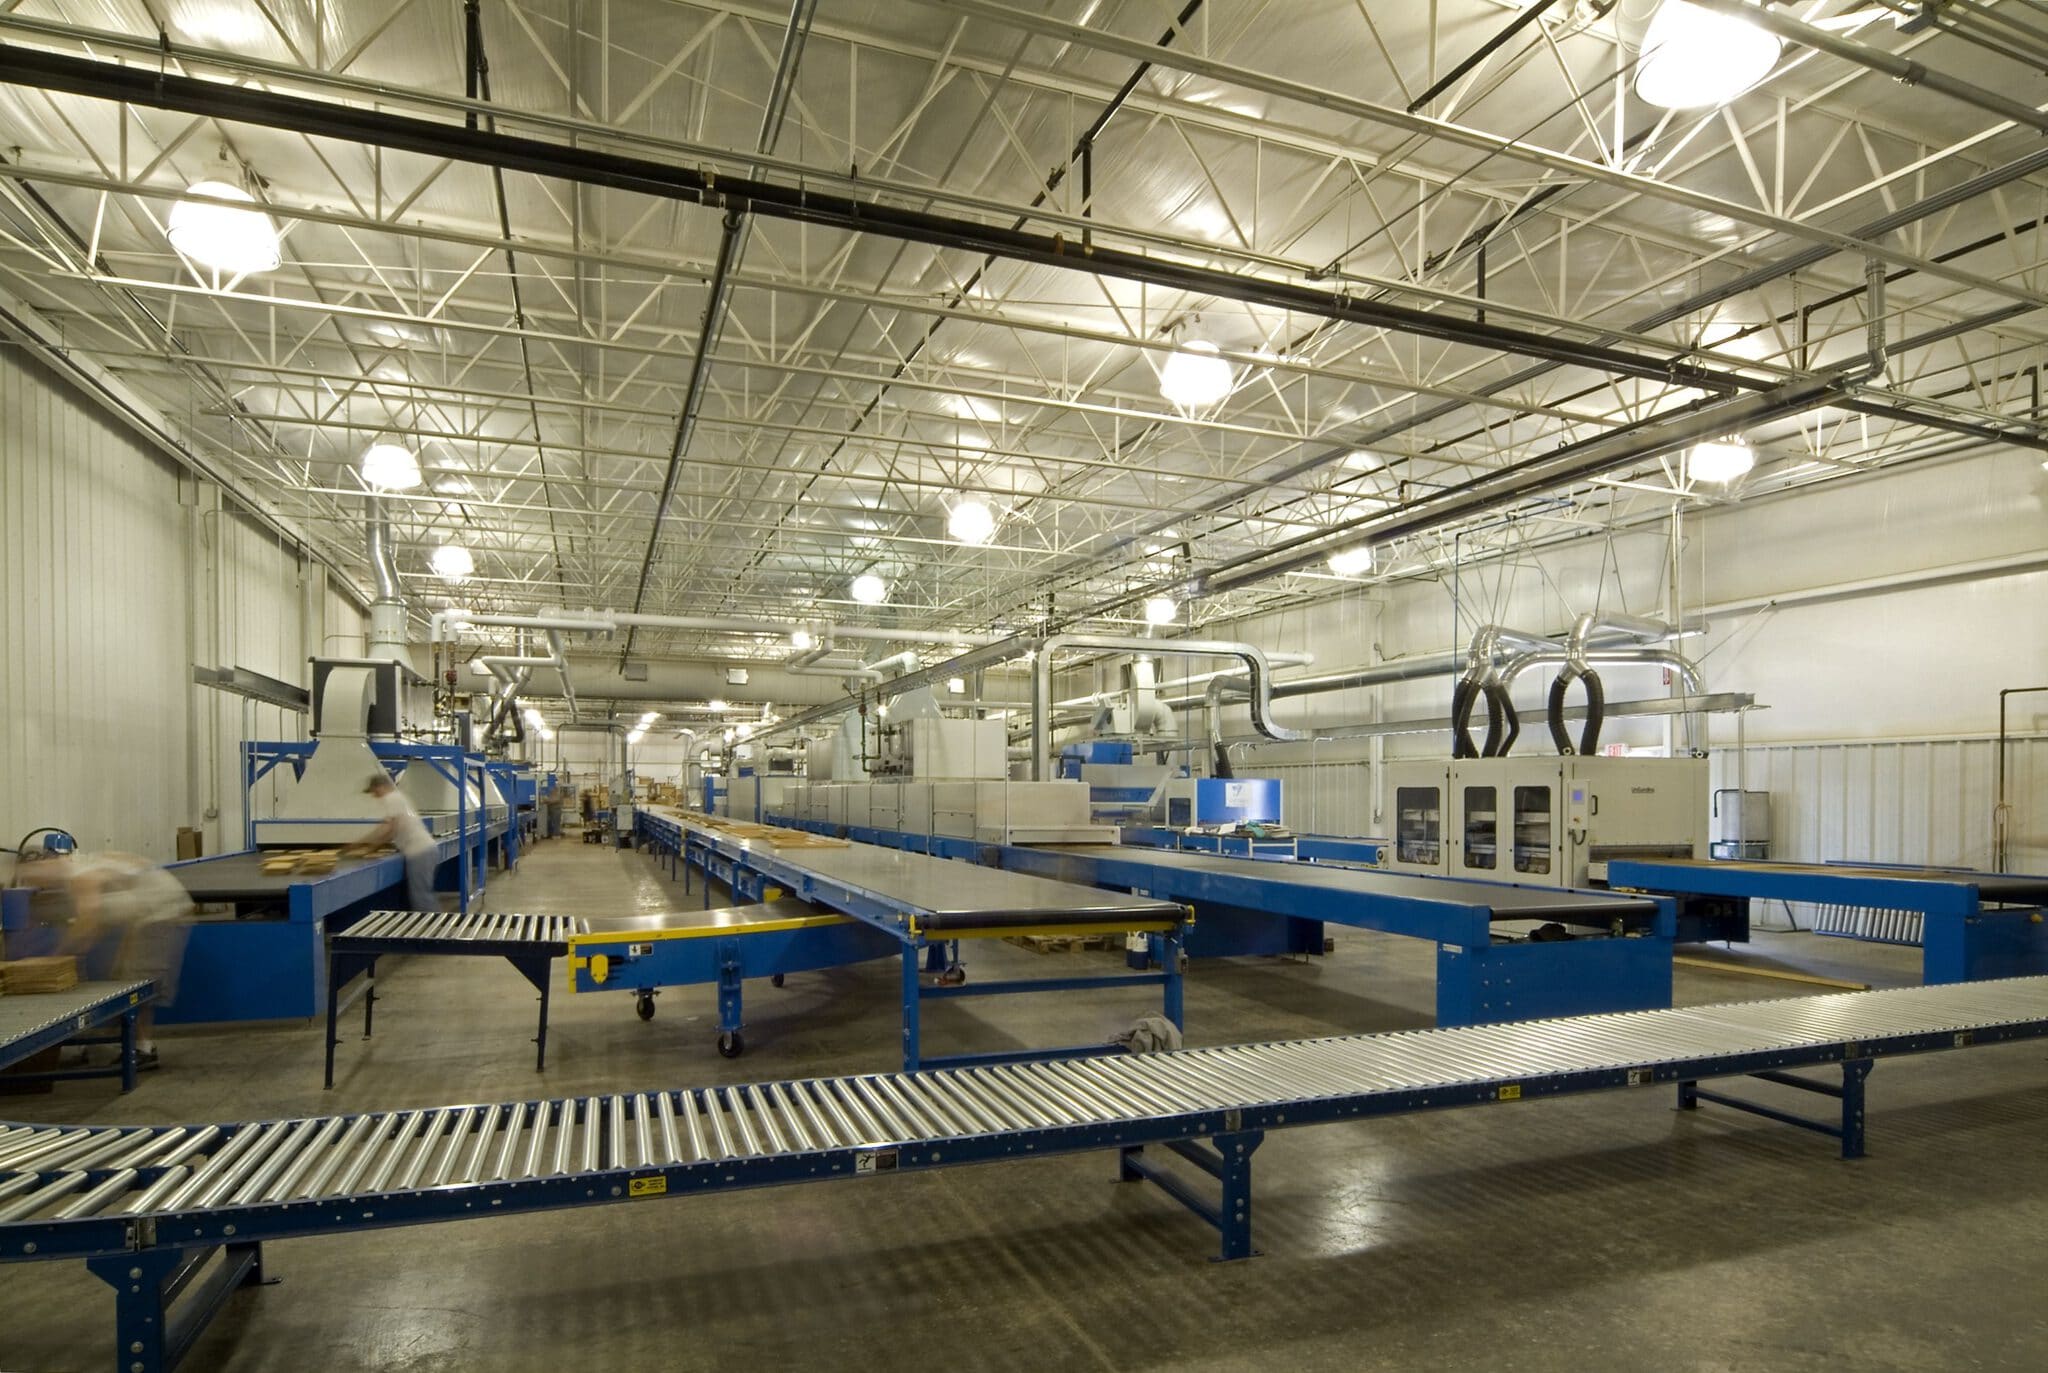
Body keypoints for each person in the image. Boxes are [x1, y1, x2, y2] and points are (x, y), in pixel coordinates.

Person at [14, 850, 195, 1069]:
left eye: (34, 878)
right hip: (140, 918)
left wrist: (56, 957)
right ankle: (95, 1047)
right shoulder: (78, 870)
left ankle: (144, 1050)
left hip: (161, 914)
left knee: (136, 982)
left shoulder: (80, 875)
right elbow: (96, 923)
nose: (37, 884)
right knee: (121, 976)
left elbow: (89, 920)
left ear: (46, 866)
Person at [358, 772, 441, 912]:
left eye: (374, 791)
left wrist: (368, 846)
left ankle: (435, 930)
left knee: (421, 897)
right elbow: (390, 826)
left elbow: (389, 829)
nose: (374, 795)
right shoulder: (399, 797)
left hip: (420, 852)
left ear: (380, 787)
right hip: (425, 850)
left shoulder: (391, 798)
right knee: (421, 894)